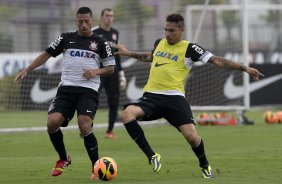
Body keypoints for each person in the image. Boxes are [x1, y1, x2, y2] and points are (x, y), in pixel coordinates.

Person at [115, 13, 264, 178]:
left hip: (174, 99)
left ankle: (205, 165)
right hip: (151, 97)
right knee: (127, 115)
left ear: (181, 30)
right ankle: (152, 156)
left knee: (192, 137)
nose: (168, 34)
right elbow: (150, 57)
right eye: (166, 30)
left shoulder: (190, 48)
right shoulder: (159, 43)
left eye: (171, 30)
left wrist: (244, 68)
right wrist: (128, 53)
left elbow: (216, 60)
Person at [14, 7, 115, 180]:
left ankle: (96, 167)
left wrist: (95, 72)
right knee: (52, 123)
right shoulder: (66, 38)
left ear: (92, 21)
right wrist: (28, 69)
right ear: (76, 22)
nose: (83, 24)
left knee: (84, 125)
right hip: (66, 90)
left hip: (88, 91)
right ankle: (63, 158)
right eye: (80, 21)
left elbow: (110, 68)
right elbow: (46, 54)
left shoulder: (100, 42)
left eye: (86, 21)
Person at [92, 8, 126, 140]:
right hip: (99, 71)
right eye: (107, 15)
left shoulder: (115, 33)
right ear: (102, 17)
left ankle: (110, 131)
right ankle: (87, 128)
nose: (109, 18)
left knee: (114, 102)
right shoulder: (95, 32)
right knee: (93, 100)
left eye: (111, 16)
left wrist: (121, 74)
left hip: (113, 72)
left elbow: (117, 55)